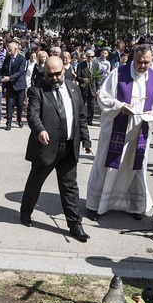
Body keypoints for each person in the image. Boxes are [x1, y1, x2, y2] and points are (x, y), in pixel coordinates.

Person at [85, 45, 153, 221]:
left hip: (139, 132)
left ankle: (136, 205)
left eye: (146, 62)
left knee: (135, 167)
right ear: (132, 58)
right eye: (139, 61)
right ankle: (95, 205)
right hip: (117, 129)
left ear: (152, 60)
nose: (142, 66)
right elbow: (104, 97)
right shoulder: (118, 73)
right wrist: (121, 107)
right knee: (106, 165)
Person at [21, 56, 92, 242]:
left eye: (57, 74)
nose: (54, 78)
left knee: (70, 188)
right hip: (46, 147)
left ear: (64, 71)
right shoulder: (37, 90)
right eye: (49, 74)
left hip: (69, 147)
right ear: (44, 72)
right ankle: (26, 212)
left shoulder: (73, 88)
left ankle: (75, 225)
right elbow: (33, 115)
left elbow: (81, 117)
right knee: (35, 182)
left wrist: (86, 140)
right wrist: (40, 130)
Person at [1, 40, 27, 130]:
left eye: (10, 49)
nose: (8, 51)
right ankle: (8, 123)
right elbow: (3, 69)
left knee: (19, 104)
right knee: (9, 104)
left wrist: (9, 78)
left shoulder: (22, 59)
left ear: (15, 49)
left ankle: (19, 120)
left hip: (20, 85)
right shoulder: (7, 58)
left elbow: (20, 72)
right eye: (8, 49)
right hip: (10, 86)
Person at [77, 50, 97, 124]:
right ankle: (81, 119)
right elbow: (78, 77)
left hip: (92, 88)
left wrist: (98, 89)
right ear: (86, 56)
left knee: (91, 105)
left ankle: (89, 120)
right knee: (82, 104)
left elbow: (97, 78)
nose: (90, 58)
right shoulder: (81, 65)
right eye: (89, 56)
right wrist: (83, 79)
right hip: (83, 88)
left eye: (92, 57)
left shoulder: (95, 65)